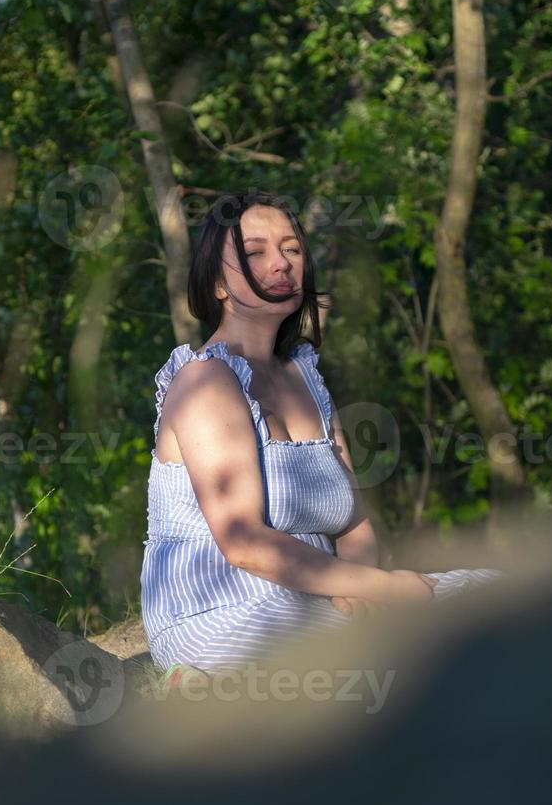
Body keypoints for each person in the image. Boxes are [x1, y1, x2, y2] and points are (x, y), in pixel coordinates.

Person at [140, 191, 502, 673]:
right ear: (217, 284)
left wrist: (363, 590)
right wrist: (387, 588)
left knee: (498, 593)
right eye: (255, 252)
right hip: (222, 611)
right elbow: (243, 541)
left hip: (317, 600)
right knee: (428, 642)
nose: (282, 263)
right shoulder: (206, 379)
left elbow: (352, 524)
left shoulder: (304, 376)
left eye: (292, 249)